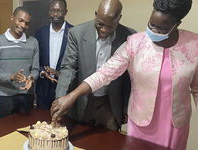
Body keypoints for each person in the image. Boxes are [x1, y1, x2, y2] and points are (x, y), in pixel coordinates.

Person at [51, 0, 196, 149]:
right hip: (140, 122)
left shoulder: (194, 45)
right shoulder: (135, 42)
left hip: (174, 124)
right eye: (151, 24)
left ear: (176, 24)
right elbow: (104, 73)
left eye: (161, 29)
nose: (153, 31)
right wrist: (72, 95)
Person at [55, 0, 135, 130]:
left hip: (110, 104)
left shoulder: (130, 37)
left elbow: (129, 79)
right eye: (100, 24)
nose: (104, 30)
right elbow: (68, 69)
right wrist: (61, 98)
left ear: (118, 19)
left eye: (110, 26)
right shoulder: (77, 34)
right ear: (96, 14)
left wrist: (126, 108)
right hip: (82, 102)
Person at [0, 7, 39, 119]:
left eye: (27, 23)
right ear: (12, 18)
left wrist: (31, 78)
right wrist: (11, 77)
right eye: (20, 20)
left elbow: (35, 70)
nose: (23, 25)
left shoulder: (33, 42)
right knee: (4, 133)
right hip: (5, 97)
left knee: (26, 130)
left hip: (26, 96)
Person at [35, 0, 73, 110]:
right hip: (43, 86)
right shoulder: (40, 32)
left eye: (59, 11)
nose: (55, 14)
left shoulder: (74, 32)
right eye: (52, 11)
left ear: (65, 12)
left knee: (62, 122)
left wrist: (59, 74)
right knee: (42, 122)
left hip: (64, 88)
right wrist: (42, 70)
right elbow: (36, 59)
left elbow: (77, 63)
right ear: (49, 12)